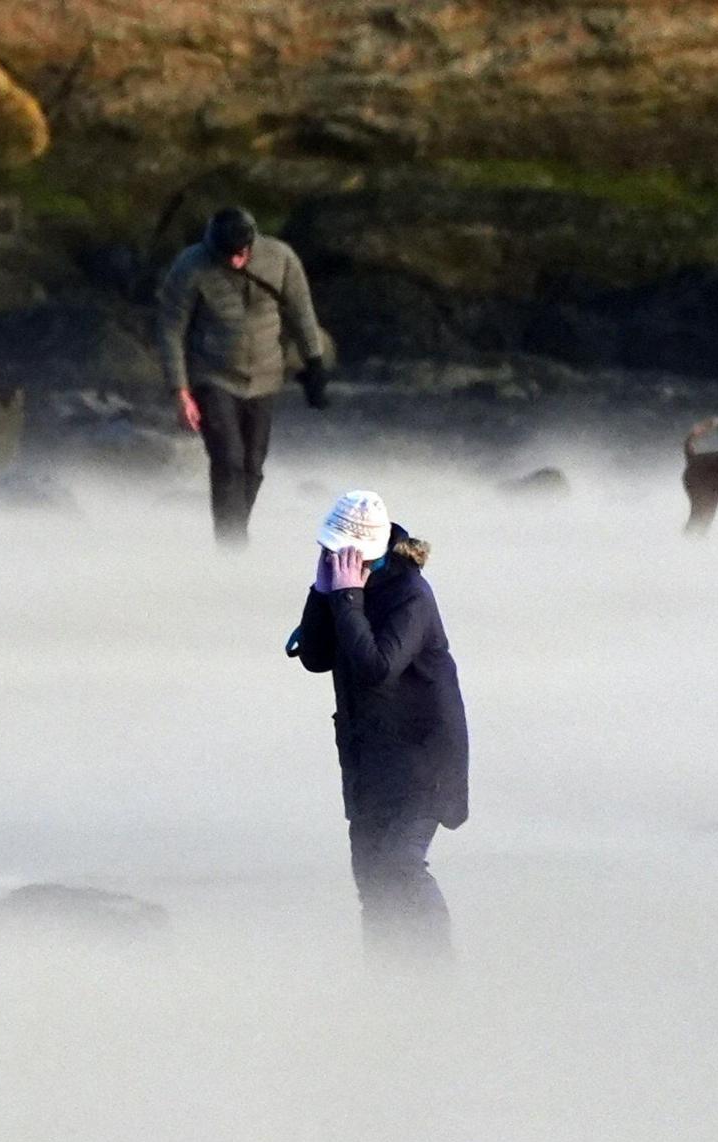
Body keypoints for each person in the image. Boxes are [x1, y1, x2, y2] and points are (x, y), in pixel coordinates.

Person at [287, 491, 468, 958]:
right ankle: (387, 987)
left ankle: (437, 975)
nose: (331, 557)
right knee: (371, 875)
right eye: (326, 550)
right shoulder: (343, 588)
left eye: (337, 551)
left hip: (423, 759)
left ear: (367, 553)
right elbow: (315, 656)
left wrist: (346, 598)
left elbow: (376, 666)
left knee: (402, 865)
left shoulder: (411, 595)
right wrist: (321, 591)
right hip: (368, 756)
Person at [157, 206, 331, 547]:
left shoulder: (281, 258)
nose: (236, 262)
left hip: (266, 377)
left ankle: (236, 532)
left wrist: (315, 366)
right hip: (213, 377)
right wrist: (180, 391)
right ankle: (231, 545)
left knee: (253, 465)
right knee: (229, 460)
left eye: (242, 254)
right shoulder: (191, 266)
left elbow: (301, 312)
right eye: (228, 256)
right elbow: (170, 330)